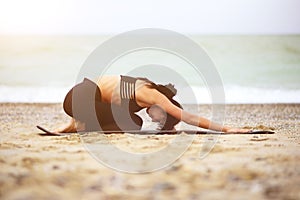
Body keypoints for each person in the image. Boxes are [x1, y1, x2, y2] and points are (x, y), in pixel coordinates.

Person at [59, 75, 250, 133]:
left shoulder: (147, 94)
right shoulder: (153, 96)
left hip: (79, 101)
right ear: (164, 110)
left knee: (133, 122)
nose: (154, 118)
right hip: (79, 97)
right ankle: (78, 123)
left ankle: (79, 123)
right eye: (161, 117)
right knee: (132, 122)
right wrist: (227, 129)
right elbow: (189, 117)